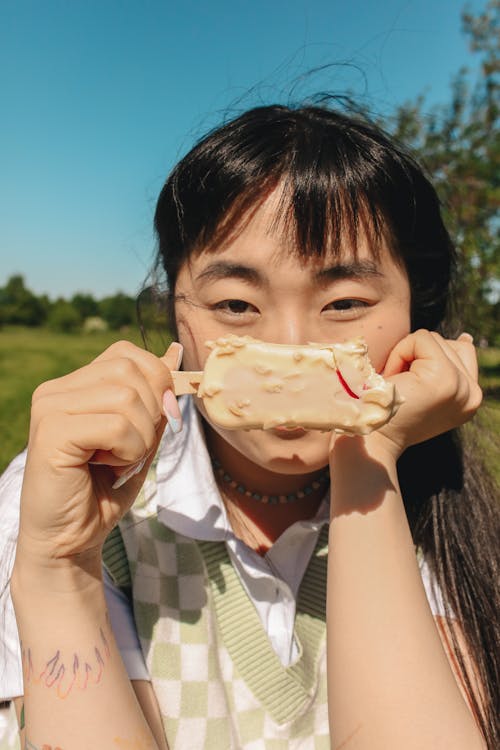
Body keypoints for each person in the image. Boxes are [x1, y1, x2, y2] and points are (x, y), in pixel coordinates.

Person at [0, 104, 498, 750]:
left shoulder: (444, 514)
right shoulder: (56, 510)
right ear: (177, 310)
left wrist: (368, 445)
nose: (290, 347)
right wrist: (58, 568)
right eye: (236, 304)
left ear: (416, 310)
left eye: (344, 303)